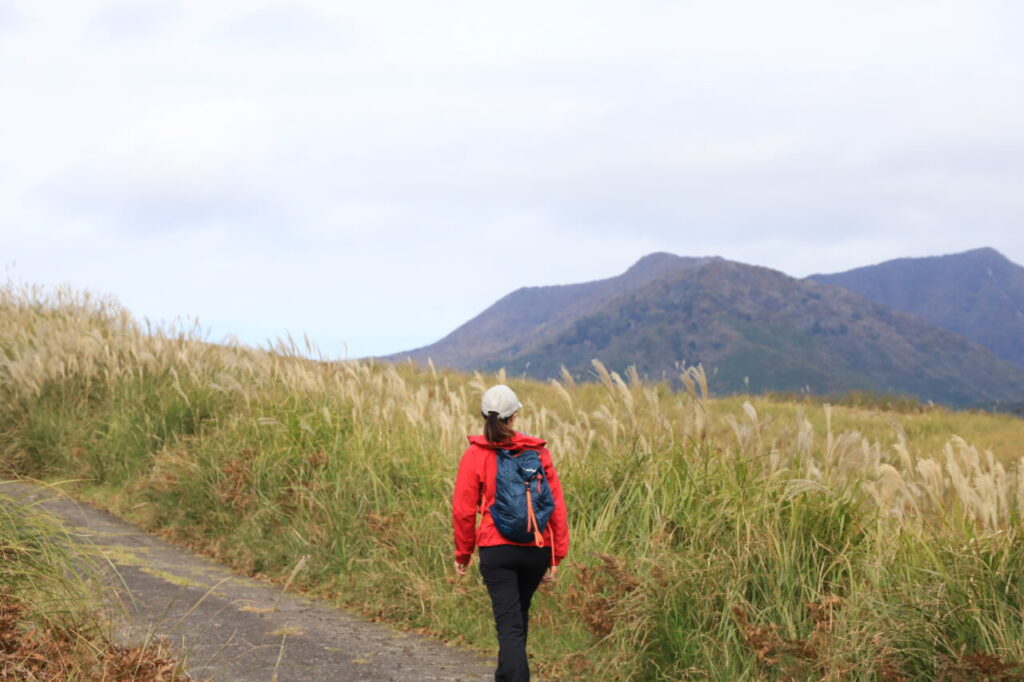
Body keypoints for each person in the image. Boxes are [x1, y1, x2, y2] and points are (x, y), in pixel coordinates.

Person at [452, 384, 569, 682]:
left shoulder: (475, 454)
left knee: (509, 624)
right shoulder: (538, 452)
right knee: (517, 618)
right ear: (515, 414)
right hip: (536, 548)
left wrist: (462, 555)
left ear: (483, 414)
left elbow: (464, 511)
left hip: (497, 550)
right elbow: (556, 507)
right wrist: (556, 556)